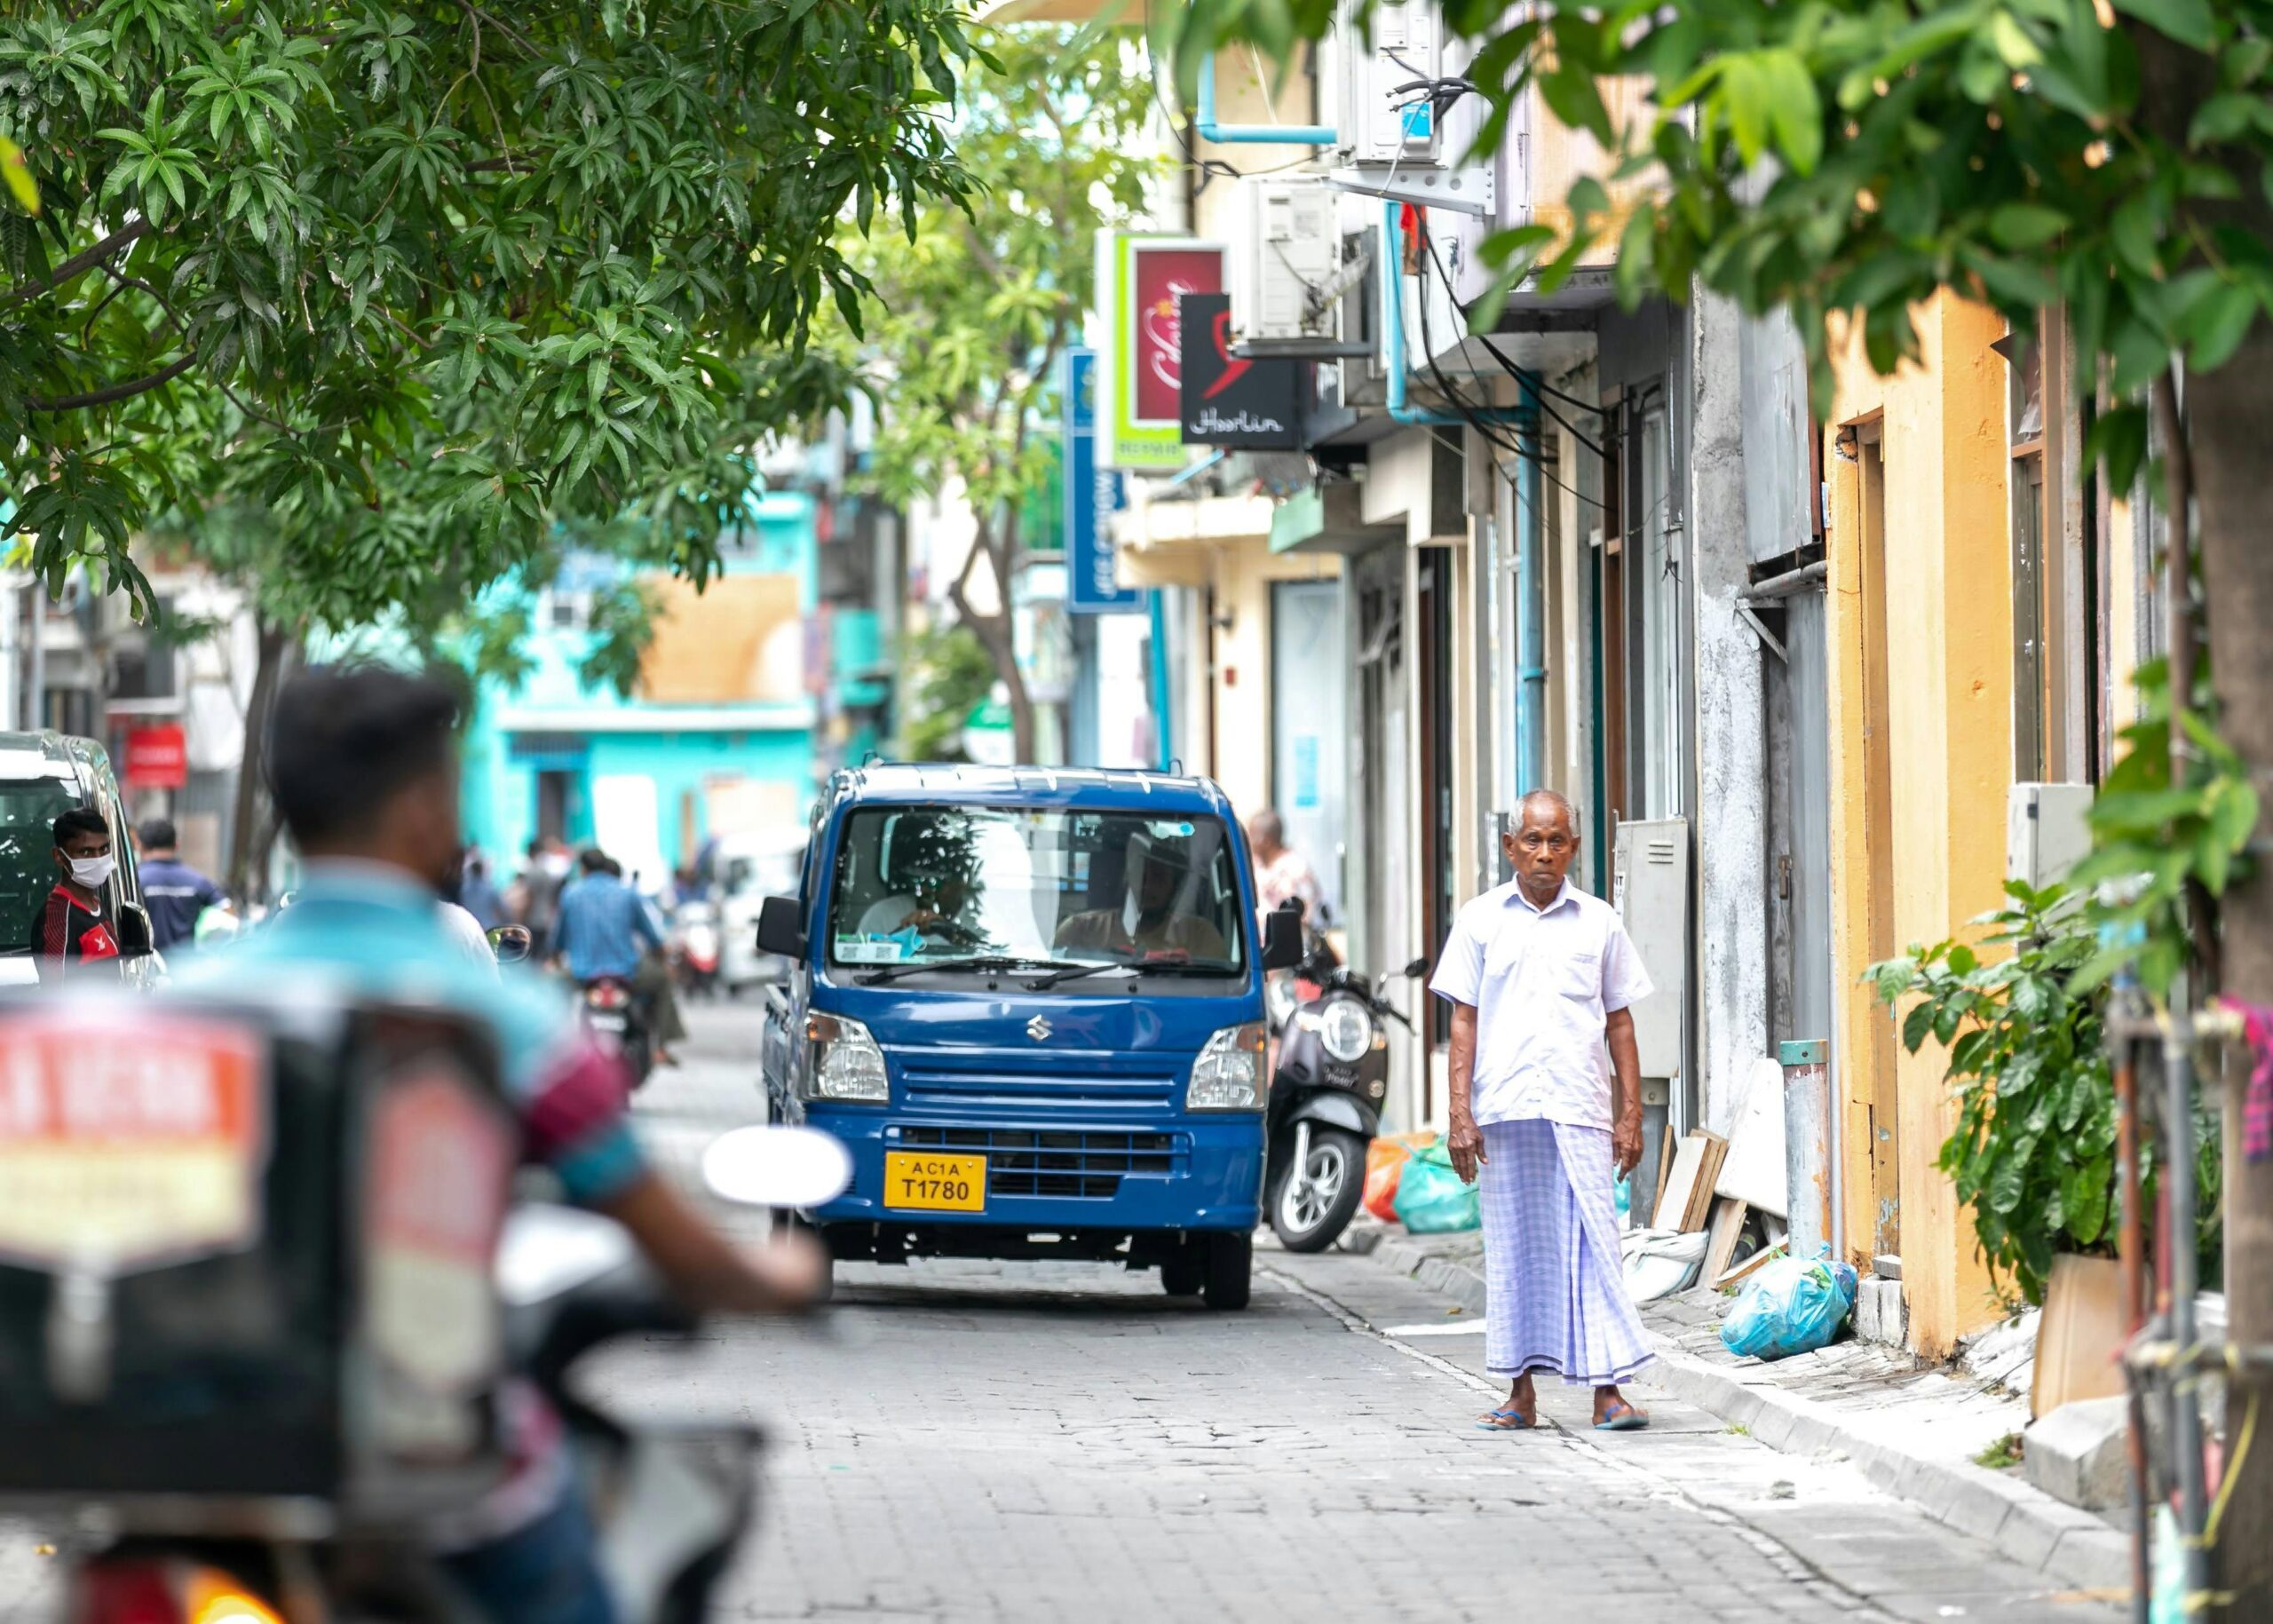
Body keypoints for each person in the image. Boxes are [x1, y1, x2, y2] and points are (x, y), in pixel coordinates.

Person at [170, 664, 820, 1624]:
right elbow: (651, 1221)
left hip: (198, 1440)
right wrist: (776, 1277)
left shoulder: (193, 1000)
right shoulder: (499, 1017)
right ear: (428, 805)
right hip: (431, 1446)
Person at [1430, 788, 1655, 1434]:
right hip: (1505, 1111)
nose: (1545, 853)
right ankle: (1519, 1393)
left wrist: (1631, 1113)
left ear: (1573, 849)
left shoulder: (1599, 921)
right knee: (1516, 1250)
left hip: (1580, 1105)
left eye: (1558, 841)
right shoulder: (1479, 920)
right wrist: (1459, 1113)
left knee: (1594, 1246)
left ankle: (1608, 1393)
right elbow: (1464, 1021)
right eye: (1533, 839)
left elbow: (1620, 1023)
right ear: (1510, 846)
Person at [555, 848, 685, 1065]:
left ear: (583, 869)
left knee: (548, 990)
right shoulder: (628, 894)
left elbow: (558, 939)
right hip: (626, 971)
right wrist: (662, 959)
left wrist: (553, 958)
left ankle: (553, 1050)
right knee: (662, 982)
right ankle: (661, 1047)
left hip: (582, 974)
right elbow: (652, 937)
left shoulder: (571, 894)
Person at [1054, 830, 1230, 960]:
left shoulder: (1200, 936)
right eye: (1140, 875)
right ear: (1126, 880)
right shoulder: (1078, 930)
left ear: (1174, 888)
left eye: (1158, 877)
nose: (1147, 885)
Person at [29, 808, 123, 985]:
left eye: (104, 849)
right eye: (86, 852)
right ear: (59, 857)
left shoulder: (95, 905)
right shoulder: (58, 918)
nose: (98, 859)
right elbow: (55, 994)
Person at [134, 817, 229, 952]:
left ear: (139, 845)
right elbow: (228, 913)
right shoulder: (199, 881)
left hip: (146, 968)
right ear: (177, 845)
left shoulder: (135, 881)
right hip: (186, 968)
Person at [1247, 807, 1323, 923]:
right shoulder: (1254, 866)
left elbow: (1308, 913)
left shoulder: (1296, 869)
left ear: (1266, 841)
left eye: (1252, 836)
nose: (1249, 841)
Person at [458, 848, 507, 931]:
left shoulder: (463, 890)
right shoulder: (490, 889)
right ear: (482, 871)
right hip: (487, 929)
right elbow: (504, 910)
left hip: (467, 929)